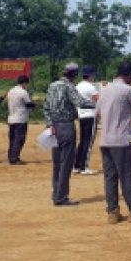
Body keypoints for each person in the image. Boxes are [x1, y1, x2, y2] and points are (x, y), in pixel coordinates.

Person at [95, 61, 131, 223]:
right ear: (130, 75)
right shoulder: (128, 90)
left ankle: (113, 211)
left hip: (105, 140)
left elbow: (98, 114)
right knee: (127, 176)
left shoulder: (105, 89)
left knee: (110, 177)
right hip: (121, 140)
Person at [44, 63, 96, 207]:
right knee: (66, 162)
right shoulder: (69, 87)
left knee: (57, 163)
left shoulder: (52, 86)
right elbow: (79, 102)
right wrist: (98, 104)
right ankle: (62, 196)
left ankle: (56, 193)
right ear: (74, 75)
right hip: (66, 125)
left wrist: (50, 124)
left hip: (54, 127)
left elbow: (46, 107)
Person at [74, 65, 100, 175]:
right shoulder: (91, 87)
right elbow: (99, 99)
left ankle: (77, 165)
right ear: (90, 75)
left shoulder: (78, 86)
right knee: (88, 142)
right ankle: (84, 166)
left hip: (81, 114)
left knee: (82, 140)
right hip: (90, 114)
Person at [7, 75, 36, 165]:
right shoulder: (23, 92)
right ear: (24, 83)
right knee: (20, 139)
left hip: (11, 118)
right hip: (21, 118)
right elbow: (28, 104)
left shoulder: (11, 91)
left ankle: (11, 156)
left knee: (12, 138)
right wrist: (35, 105)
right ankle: (15, 158)